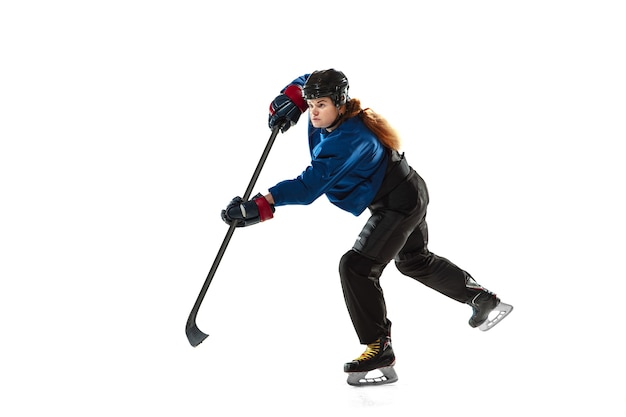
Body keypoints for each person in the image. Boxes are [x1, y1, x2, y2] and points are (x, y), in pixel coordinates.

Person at [221, 69, 513, 386]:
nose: (314, 111)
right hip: (406, 190)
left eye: (321, 104)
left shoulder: (350, 139)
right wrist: (291, 99)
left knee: (356, 266)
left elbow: (308, 187)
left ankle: (379, 348)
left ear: (339, 103)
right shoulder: (327, 115)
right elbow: (308, 78)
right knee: (414, 261)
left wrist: (260, 205)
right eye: (311, 103)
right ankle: (481, 298)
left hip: (398, 202)